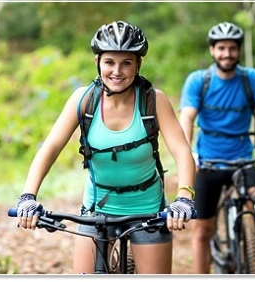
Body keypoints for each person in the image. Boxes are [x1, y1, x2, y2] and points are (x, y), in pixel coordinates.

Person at [16, 20, 196, 274]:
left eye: (126, 63)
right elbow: (51, 147)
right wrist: (28, 196)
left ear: (138, 65)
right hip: (96, 208)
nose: (117, 71)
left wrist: (184, 198)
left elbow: (182, 153)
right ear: (98, 62)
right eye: (109, 62)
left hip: (148, 209)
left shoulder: (154, 100)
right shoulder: (83, 100)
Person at [179, 22, 255, 274]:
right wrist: (188, 151)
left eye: (232, 48)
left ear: (239, 51)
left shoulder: (252, 79)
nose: (227, 53)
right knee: (202, 230)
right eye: (221, 48)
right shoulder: (198, 81)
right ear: (213, 51)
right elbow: (187, 118)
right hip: (207, 163)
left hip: (242, 161)